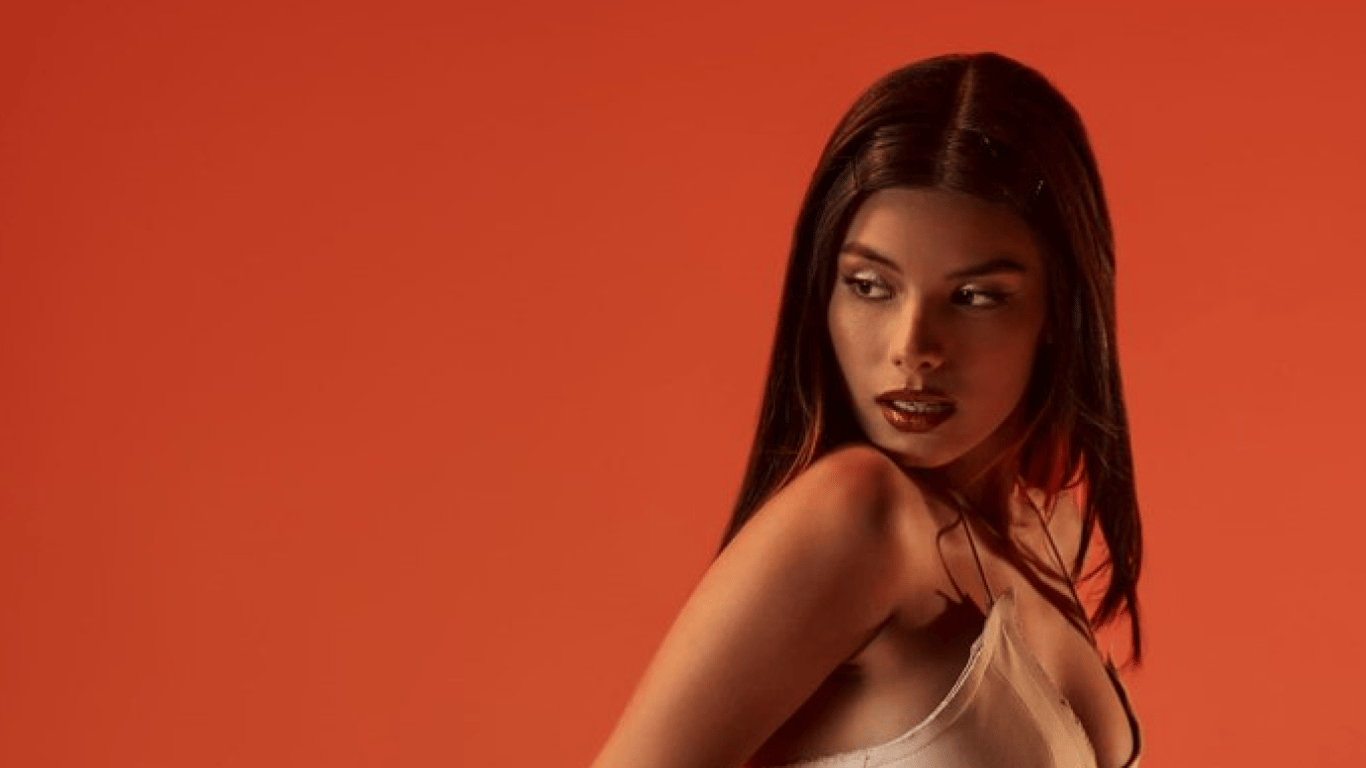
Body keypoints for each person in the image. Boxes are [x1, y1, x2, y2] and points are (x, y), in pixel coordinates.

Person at [589, 52, 1144, 768]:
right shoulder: (858, 514)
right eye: (870, 285)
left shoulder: (1047, 528)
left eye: (974, 297)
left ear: (1060, 314)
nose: (913, 348)